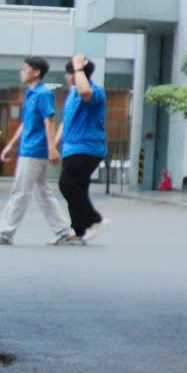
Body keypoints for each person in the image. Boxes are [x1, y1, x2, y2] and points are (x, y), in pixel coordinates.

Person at [0, 56, 70, 246]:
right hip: (28, 149)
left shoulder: (43, 94)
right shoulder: (30, 94)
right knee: (43, 192)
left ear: (36, 72)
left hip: (35, 150)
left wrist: (52, 148)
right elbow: (25, 124)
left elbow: (49, 121)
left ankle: (5, 233)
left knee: (20, 192)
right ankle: (63, 231)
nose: (22, 72)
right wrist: (11, 145)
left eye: (25, 69)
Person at [57, 54, 109, 243]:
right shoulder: (72, 95)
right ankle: (78, 231)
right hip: (71, 148)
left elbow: (85, 92)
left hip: (87, 148)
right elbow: (66, 122)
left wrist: (78, 66)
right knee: (78, 188)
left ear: (77, 74)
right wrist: (54, 145)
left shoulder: (95, 91)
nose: (66, 76)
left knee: (67, 184)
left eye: (68, 73)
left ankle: (94, 219)